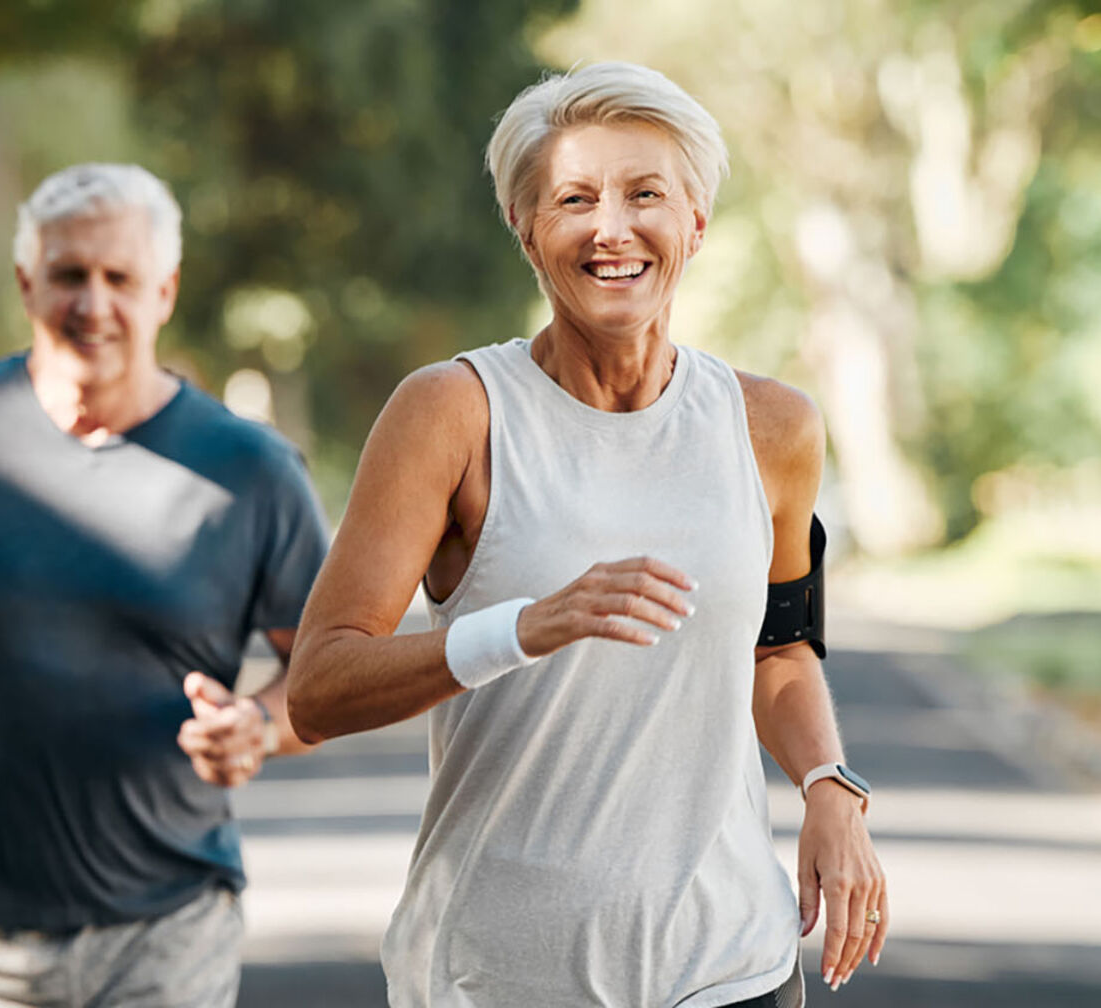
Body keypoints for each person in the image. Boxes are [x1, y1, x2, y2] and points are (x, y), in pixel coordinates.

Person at [285, 63, 886, 1007]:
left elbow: (779, 649)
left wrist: (827, 783)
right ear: (527, 230)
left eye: (646, 194)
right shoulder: (454, 414)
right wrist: (525, 628)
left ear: (694, 222)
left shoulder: (773, 427)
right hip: (496, 976)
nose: (612, 228)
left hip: (730, 968)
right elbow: (319, 688)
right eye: (574, 199)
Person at [0, 162, 330, 1008]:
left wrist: (260, 725)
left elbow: (335, 668)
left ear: (165, 291)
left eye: (120, 278)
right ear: (26, 283)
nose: (93, 303)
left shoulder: (253, 472)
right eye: (69, 275)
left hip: (168, 926)